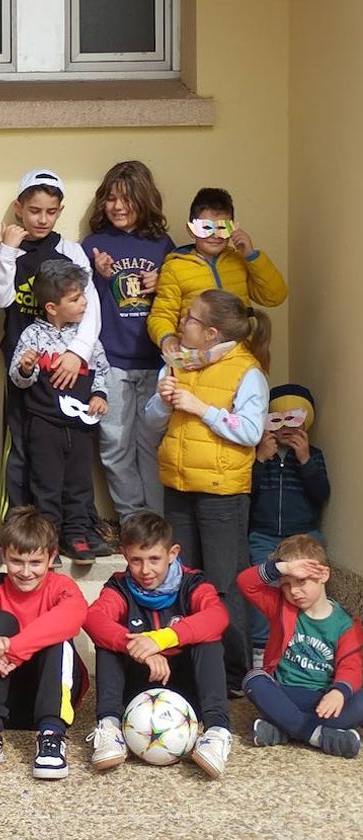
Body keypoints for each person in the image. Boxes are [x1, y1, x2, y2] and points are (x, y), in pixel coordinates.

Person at [144, 288, 270, 692]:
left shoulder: (247, 371)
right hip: (178, 486)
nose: (182, 323)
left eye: (191, 319)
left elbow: (251, 432)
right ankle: (188, 667)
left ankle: (233, 674)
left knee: (223, 583)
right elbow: (149, 425)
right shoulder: (176, 364)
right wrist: (164, 403)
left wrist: (201, 408)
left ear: (211, 333)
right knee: (183, 580)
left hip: (223, 495)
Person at [0, 169, 109, 555]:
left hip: (71, 365)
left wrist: (77, 353)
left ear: (59, 212)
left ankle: (78, 528)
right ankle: (24, 530)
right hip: (26, 363)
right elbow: (0, 299)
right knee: (23, 451)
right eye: (34, 210)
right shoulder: (8, 249)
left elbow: (90, 307)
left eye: (50, 211)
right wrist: (7, 251)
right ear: (19, 209)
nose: (42, 219)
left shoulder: (70, 250)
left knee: (73, 458)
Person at [83, 511, 233, 778]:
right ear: (124, 555)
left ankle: (216, 733)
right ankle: (109, 727)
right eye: (136, 560)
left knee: (208, 639)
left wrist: (158, 639)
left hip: (185, 683)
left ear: (172, 553)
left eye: (155, 559)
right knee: (109, 640)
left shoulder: (191, 583)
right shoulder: (120, 587)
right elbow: (92, 618)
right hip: (138, 684)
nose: (145, 570)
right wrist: (135, 647)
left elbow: (217, 616)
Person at [0, 506, 87, 780]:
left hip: (52, 698)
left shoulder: (61, 586)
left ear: (51, 557)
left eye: (35, 563)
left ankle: (52, 737)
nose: (26, 572)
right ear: (4, 555)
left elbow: (75, 614)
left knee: (58, 635)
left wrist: (15, 650)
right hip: (3, 699)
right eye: (17, 561)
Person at [81, 160, 174, 518]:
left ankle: (157, 521)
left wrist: (161, 282)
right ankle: (133, 520)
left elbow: (179, 298)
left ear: (144, 200)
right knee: (115, 444)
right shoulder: (93, 245)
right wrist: (98, 276)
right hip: (112, 363)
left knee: (151, 445)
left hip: (154, 362)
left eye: (127, 199)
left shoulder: (163, 245)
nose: (118, 207)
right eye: (111, 199)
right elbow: (79, 303)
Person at [9, 260, 109, 563]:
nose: (84, 303)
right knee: (46, 484)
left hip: (79, 426)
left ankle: (77, 535)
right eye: (75, 299)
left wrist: (99, 394)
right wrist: (26, 367)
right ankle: (48, 539)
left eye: (83, 296)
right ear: (52, 307)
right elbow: (18, 377)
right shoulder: (33, 336)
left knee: (79, 483)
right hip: (44, 425)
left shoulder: (86, 336)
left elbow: (102, 368)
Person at [238, 535, 363, 759]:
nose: (293, 591)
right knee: (253, 679)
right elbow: (246, 583)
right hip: (285, 693)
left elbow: (352, 666)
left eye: (301, 581)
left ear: (323, 575)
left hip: (324, 700)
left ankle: (283, 728)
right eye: (286, 584)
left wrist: (338, 692)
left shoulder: (346, 624)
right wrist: (281, 568)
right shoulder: (280, 605)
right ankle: (318, 736)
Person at [147, 186, 287, 360]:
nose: (214, 235)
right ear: (191, 229)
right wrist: (167, 338)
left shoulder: (240, 262)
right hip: (196, 357)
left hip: (240, 354)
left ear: (233, 228)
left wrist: (252, 256)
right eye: (206, 227)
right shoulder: (175, 267)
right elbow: (162, 314)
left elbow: (275, 296)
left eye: (222, 228)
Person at [248, 384, 330, 655]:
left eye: (293, 419)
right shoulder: (259, 455)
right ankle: (261, 647)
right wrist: (260, 459)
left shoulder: (314, 454)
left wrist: (305, 459)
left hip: (304, 534)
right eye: (277, 419)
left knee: (308, 582)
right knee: (265, 583)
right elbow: (248, 494)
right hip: (264, 534)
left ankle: (306, 641)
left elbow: (321, 494)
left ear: (305, 421)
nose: (285, 427)